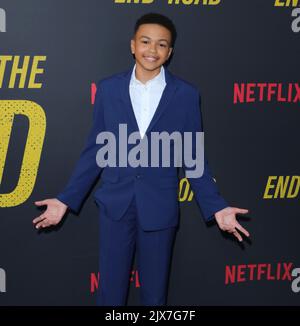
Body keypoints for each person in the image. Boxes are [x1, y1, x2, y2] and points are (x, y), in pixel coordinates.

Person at [32, 13, 250, 306]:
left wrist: (216, 207)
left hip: (160, 208)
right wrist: (65, 199)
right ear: (133, 45)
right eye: (146, 42)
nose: (152, 50)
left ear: (169, 52)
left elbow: (194, 157)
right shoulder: (109, 89)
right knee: (109, 293)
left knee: (155, 296)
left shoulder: (185, 94)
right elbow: (97, 149)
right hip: (115, 206)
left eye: (162, 44)